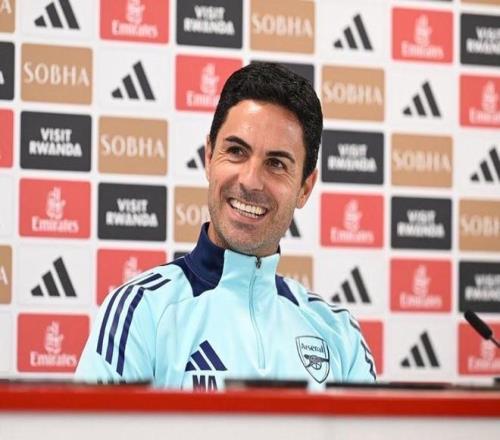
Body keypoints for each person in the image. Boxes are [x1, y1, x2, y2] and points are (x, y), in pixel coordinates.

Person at [75, 62, 376, 390]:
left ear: (305, 187)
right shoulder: (140, 312)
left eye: (276, 163)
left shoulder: (340, 335)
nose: (250, 180)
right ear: (208, 157)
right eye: (236, 151)